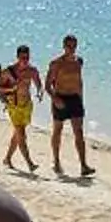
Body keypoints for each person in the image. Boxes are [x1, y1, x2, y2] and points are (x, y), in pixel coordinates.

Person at [45, 34, 91, 178]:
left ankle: (83, 165)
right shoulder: (56, 63)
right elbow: (47, 85)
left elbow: (79, 82)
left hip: (75, 100)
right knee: (58, 130)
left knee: (79, 132)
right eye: (69, 46)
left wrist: (81, 99)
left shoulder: (79, 62)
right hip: (60, 98)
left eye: (74, 46)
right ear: (64, 46)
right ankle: (56, 161)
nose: (71, 49)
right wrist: (55, 99)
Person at [0, 44, 41, 173]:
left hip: (26, 106)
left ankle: (7, 159)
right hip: (13, 106)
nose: (25, 60)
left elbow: (37, 81)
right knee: (21, 134)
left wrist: (39, 91)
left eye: (27, 57)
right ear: (17, 57)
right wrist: (11, 89)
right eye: (22, 57)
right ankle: (30, 163)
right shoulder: (9, 72)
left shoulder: (32, 70)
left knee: (17, 134)